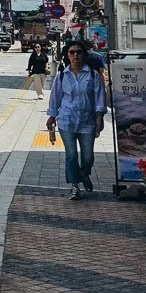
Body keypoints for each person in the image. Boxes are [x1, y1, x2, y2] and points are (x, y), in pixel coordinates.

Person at [46, 40, 107, 199]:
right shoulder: (61, 76)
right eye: (72, 52)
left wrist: (99, 116)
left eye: (79, 52)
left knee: (88, 156)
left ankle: (84, 173)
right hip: (67, 120)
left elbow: (100, 97)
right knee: (71, 155)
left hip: (87, 121)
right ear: (67, 56)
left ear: (84, 55)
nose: (76, 55)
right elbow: (55, 98)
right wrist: (52, 117)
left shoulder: (93, 75)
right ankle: (74, 186)